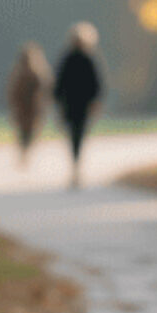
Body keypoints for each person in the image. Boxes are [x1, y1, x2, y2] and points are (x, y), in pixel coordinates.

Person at [53, 22, 104, 188]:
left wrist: (95, 101)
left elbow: (96, 84)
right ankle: (76, 165)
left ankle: (76, 165)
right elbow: (60, 83)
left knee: (77, 135)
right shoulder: (75, 58)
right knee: (76, 135)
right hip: (73, 104)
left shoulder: (86, 59)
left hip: (79, 104)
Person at [5, 42, 52, 167]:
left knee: (25, 132)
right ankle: (25, 151)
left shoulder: (28, 73)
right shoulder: (34, 73)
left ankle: (24, 151)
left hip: (28, 109)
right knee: (27, 132)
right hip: (28, 109)